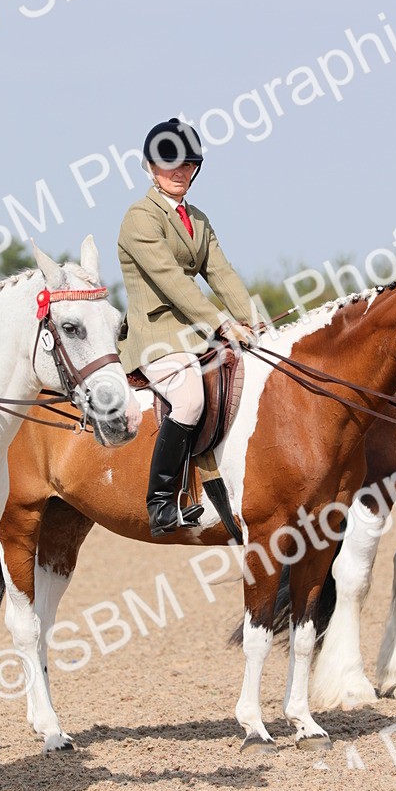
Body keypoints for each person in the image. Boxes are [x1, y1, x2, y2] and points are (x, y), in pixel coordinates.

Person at [118, 117, 257, 537]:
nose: (179, 173)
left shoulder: (197, 218)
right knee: (190, 399)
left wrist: (250, 318)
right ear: (150, 167)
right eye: (169, 165)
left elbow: (222, 273)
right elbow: (173, 283)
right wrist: (221, 322)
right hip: (156, 337)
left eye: (187, 165)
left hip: (196, 335)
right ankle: (161, 501)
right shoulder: (139, 219)